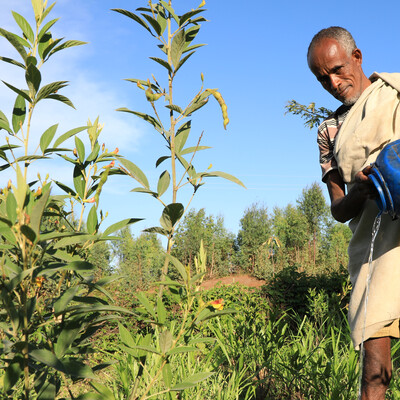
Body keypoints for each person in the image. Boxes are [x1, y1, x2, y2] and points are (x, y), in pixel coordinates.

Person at [307, 26, 400, 399]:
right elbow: (338, 210)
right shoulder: (329, 130)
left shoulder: (393, 93)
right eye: (321, 77)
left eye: (337, 69)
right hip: (375, 250)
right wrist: (361, 189)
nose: (332, 81)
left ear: (357, 58)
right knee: (375, 372)